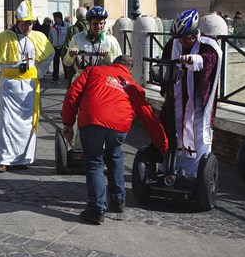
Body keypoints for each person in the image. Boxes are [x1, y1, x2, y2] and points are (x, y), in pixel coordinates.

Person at [61, 55, 168, 224]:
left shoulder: (94, 70)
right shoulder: (132, 84)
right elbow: (148, 115)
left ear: (113, 64)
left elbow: (72, 94)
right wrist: (163, 145)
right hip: (119, 125)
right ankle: (118, 200)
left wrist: (68, 122)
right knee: (115, 155)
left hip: (92, 120)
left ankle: (97, 209)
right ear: (129, 69)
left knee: (95, 163)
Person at [0, 0, 55, 172]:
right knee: (7, 122)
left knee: (28, 123)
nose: (29, 27)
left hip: (29, 86)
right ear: (17, 21)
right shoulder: (4, 37)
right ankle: (4, 159)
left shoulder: (38, 37)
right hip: (10, 87)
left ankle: (23, 159)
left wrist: (39, 72)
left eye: (31, 23)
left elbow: (49, 55)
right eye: (26, 23)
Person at [160, 9, 222, 179]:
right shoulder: (172, 45)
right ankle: (167, 168)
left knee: (197, 136)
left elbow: (209, 60)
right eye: (179, 38)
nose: (182, 41)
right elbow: (165, 66)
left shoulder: (208, 45)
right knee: (170, 132)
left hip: (197, 103)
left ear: (195, 33)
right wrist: (165, 90)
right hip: (175, 100)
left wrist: (194, 59)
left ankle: (196, 175)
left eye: (186, 38)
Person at [63, 6, 122, 83]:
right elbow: (66, 62)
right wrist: (70, 55)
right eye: (95, 24)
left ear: (105, 23)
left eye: (101, 23)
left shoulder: (111, 40)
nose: (98, 27)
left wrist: (107, 56)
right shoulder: (77, 38)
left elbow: (119, 65)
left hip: (102, 81)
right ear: (89, 23)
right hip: (82, 81)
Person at [61, 7, 89, 84]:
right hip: (90, 64)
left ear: (76, 16)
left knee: (73, 89)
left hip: (75, 64)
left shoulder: (72, 29)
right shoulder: (92, 27)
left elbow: (66, 46)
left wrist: (66, 65)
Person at [48, 11, 71, 82]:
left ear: (60, 18)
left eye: (55, 17)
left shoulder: (67, 25)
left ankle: (67, 76)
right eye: (54, 17)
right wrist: (50, 45)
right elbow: (50, 37)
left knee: (65, 61)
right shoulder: (52, 27)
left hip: (64, 47)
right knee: (55, 62)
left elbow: (70, 36)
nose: (54, 19)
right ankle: (55, 77)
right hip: (55, 47)